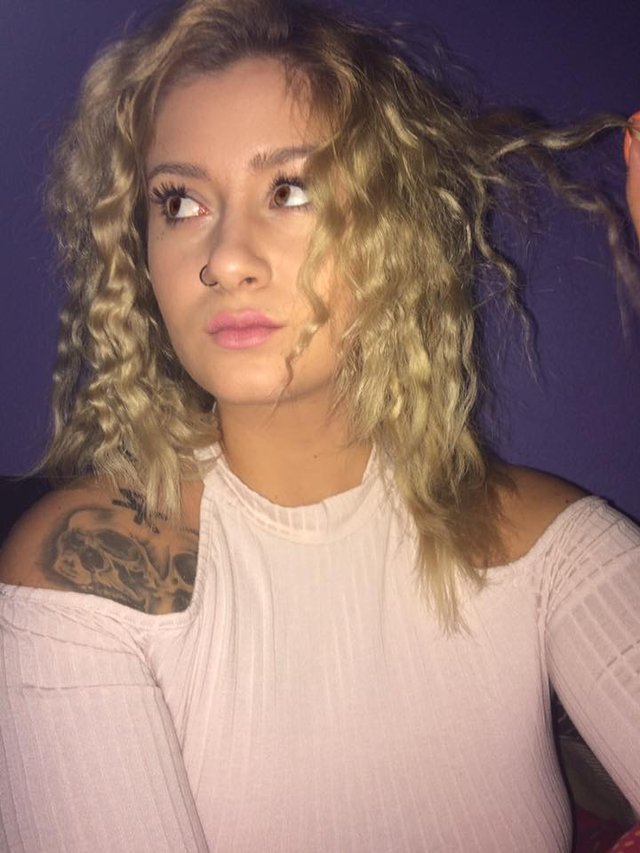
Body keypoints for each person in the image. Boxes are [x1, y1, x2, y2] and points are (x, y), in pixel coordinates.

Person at [0, 0, 638, 849]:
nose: (224, 258)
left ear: (396, 233)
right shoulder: (80, 576)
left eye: (290, 190)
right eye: (179, 202)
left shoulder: (549, 546)